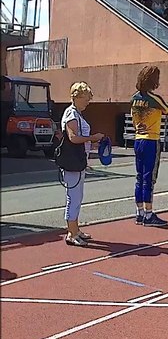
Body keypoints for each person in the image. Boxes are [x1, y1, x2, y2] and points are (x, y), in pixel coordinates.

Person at [130, 65, 168, 226]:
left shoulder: (134, 99)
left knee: (139, 177)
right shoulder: (154, 98)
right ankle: (149, 214)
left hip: (137, 138)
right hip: (151, 139)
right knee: (149, 177)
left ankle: (140, 212)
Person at [61, 82, 104, 246]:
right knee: (73, 197)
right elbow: (73, 138)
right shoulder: (71, 114)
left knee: (77, 196)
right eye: (86, 98)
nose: (88, 101)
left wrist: (92, 145)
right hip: (72, 162)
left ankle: (75, 229)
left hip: (79, 160)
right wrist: (92, 138)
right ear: (77, 97)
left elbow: (79, 140)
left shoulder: (77, 114)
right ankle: (71, 233)